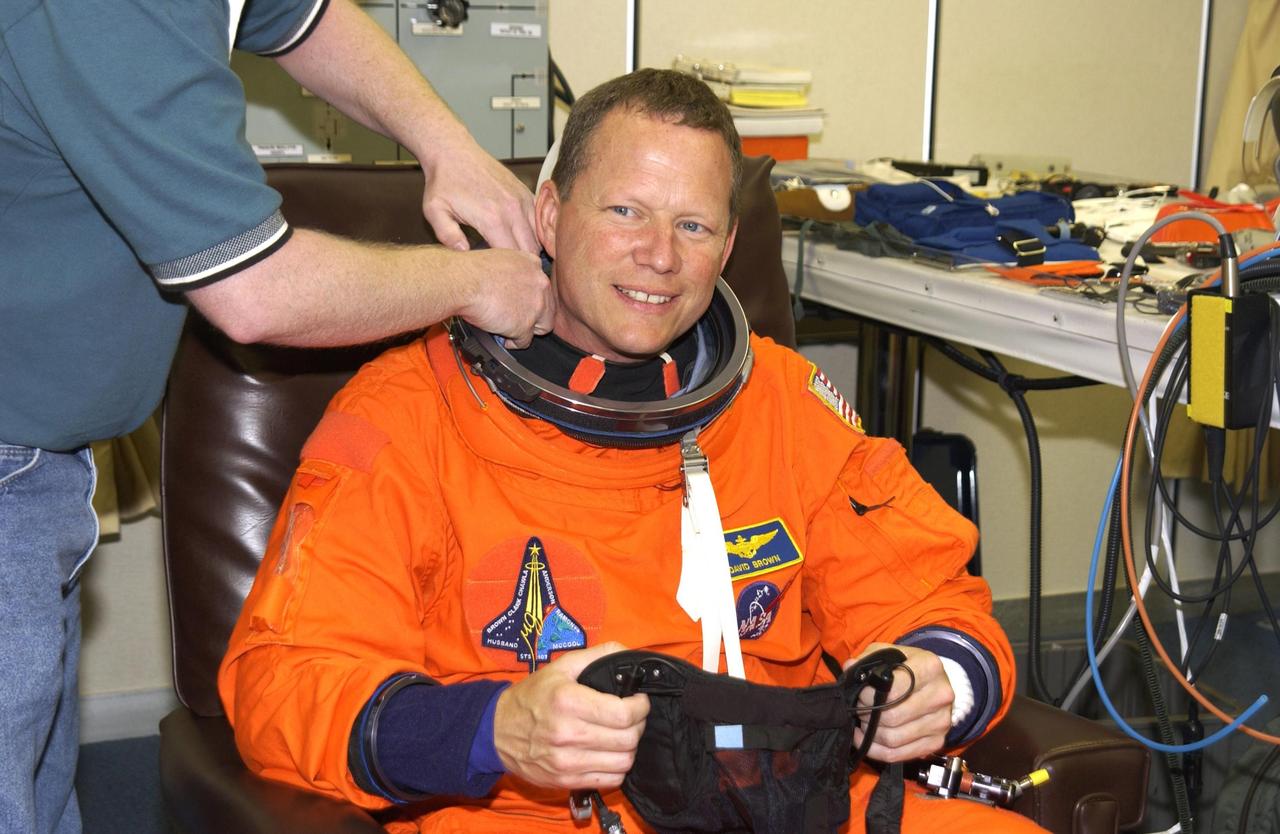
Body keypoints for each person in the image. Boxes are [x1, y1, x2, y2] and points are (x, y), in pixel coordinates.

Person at [218, 68, 1045, 833]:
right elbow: (283, 682)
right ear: (547, 214)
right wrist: (495, 727)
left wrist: (938, 680)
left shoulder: (783, 406)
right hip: (533, 810)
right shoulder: (408, 415)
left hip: (784, 801)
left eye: (693, 224)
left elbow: (931, 597)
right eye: (625, 211)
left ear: (726, 250)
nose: (660, 254)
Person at [0, 1, 555, 831]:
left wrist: (448, 143)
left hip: (40, 465)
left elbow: (306, 17)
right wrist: (476, 284)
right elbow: (253, 291)